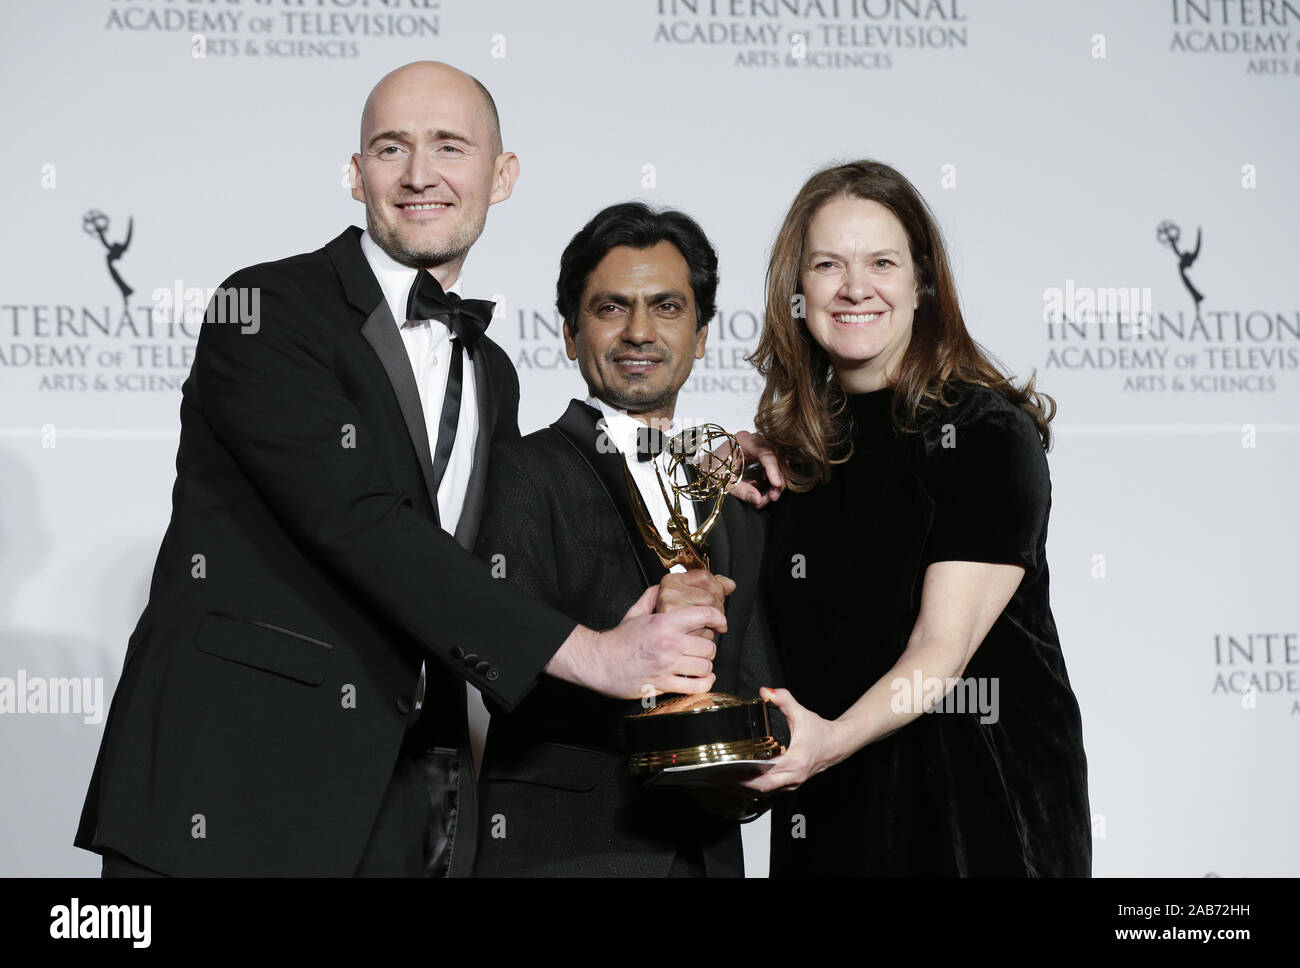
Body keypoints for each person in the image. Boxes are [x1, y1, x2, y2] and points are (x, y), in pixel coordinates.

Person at [74, 62, 727, 877]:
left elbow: (486, 559)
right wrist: (593, 654)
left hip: (403, 813)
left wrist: (712, 458)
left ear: (502, 174)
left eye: (450, 147)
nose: (421, 175)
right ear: (356, 175)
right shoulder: (266, 310)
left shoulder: (492, 370)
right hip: (233, 791)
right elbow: (361, 523)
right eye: (392, 149)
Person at [742, 160, 1091, 876]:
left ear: (921, 283)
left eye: (881, 262)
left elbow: (942, 649)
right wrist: (710, 459)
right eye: (828, 264)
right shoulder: (796, 455)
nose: (855, 287)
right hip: (834, 801)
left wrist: (829, 741)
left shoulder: (984, 433)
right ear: (798, 290)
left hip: (974, 806)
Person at [472, 202, 781, 877]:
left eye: (667, 308)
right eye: (611, 308)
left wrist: (755, 764)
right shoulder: (521, 470)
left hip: (705, 856)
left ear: (701, 336)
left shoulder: (734, 498)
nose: (639, 331)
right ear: (568, 333)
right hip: (563, 851)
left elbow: (756, 687)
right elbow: (494, 650)